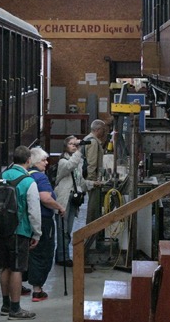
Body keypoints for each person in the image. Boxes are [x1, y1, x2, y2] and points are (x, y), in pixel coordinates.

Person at [0, 145, 41, 320]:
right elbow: (34, 212)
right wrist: (37, 233)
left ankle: (5, 305)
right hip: (19, 230)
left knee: (5, 266)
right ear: (29, 161)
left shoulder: (0, 177)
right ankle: (15, 309)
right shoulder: (29, 181)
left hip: (1, 229)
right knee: (17, 268)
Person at [26, 147, 64, 302]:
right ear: (35, 161)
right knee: (43, 252)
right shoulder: (41, 178)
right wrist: (60, 207)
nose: (46, 163)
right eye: (43, 160)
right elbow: (45, 198)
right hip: (43, 220)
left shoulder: (24, 176)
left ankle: (21, 285)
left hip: (26, 220)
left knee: (29, 252)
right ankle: (37, 289)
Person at [53, 136, 96, 265]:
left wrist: (94, 184)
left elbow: (80, 181)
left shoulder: (79, 162)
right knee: (62, 229)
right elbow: (70, 165)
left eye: (75, 143)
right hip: (64, 199)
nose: (74, 146)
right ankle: (62, 257)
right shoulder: (63, 162)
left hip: (73, 199)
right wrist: (79, 149)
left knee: (68, 229)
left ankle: (63, 254)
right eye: (71, 144)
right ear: (65, 147)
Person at [81, 119, 110, 225]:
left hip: (88, 178)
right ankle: (91, 232)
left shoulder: (87, 139)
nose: (105, 132)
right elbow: (92, 163)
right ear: (98, 129)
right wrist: (93, 181)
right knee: (93, 208)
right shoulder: (93, 142)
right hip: (92, 179)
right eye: (103, 130)